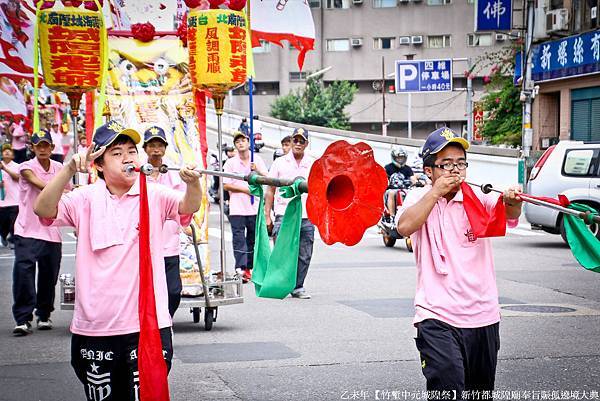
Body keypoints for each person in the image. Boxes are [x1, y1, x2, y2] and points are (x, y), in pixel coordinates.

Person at [34, 121, 202, 401]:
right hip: (95, 327)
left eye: (132, 151)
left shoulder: (155, 194)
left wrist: (193, 183)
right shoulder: (83, 199)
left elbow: (188, 206)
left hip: (148, 326)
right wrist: (67, 170)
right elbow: (43, 209)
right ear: (98, 164)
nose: (128, 158)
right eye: (117, 152)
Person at [395, 127, 523, 398]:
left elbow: (509, 211)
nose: (455, 170)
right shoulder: (419, 198)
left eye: (460, 163)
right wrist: (435, 193)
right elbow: (404, 227)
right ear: (429, 170)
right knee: (447, 389)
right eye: (446, 164)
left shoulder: (479, 195)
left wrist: (513, 199)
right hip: (436, 314)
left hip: (483, 315)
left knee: (480, 393)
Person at [12, 130, 66, 335]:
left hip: (51, 230)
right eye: (38, 145)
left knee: (48, 275)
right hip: (27, 229)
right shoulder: (26, 167)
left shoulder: (59, 167)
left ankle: (44, 314)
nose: (42, 148)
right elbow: (40, 184)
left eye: (46, 145)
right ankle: (23, 318)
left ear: (52, 148)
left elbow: (68, 193)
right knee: (23, 273)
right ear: (32, 148)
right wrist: (62, 188)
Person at [265, 127, 315, 299]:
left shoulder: (313, 164)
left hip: (307, 216)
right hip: (283, 214)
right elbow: (270, 189)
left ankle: (298, 286)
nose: (298, 144)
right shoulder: (279, 163)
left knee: (305, 254)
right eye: (296, 140)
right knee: (281, 251)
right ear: (291, 141)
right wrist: (267, 215)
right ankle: (279, 283)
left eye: (302, 141)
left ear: (306, 144)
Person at [142, 125, 186, 317]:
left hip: (169, 242)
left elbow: (182, 203)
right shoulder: (136, 174)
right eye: (152, 145)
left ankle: (166, 320)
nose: (156, 149)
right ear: (145, 149)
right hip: (144, 242)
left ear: (165, 149)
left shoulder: (174, 173)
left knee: (173, 291)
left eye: (159, 145)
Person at [223, 130, 267, 284]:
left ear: (249, 142)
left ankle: (249, 266)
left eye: (243, 140)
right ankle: (241, 267)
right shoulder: (230, 163)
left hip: (254, 208)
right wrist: (246, 189)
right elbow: (227, 185)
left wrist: (258, 171)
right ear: (235, 145)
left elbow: (267, 179)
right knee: (238, 238)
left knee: (252, 239)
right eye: (237, 141)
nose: (240, 143)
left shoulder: (257, 160)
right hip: (237, 208)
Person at [383, 146, 416, 224]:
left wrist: (417, 182)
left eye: (402, 158)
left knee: (411, 193)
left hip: (404, 189)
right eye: (398, 158)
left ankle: (410, 216)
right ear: (394, 157)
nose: (400, 160)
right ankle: (392, 216)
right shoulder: (388, 168)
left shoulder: (407, 168)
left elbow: (413, 179)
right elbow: (383, 178)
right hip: (391, 189)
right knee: (392, 193)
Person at [0, 144, 20, 248]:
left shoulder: (17, 166)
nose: (7, 152)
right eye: (4, 151)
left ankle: (13, 241)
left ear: (12, 154)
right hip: (2, 202)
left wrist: (5, 168)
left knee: (14, 224)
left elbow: (18, 177)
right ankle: (3, 236)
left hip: (15, 201)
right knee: (3, 225)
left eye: (9, 150)